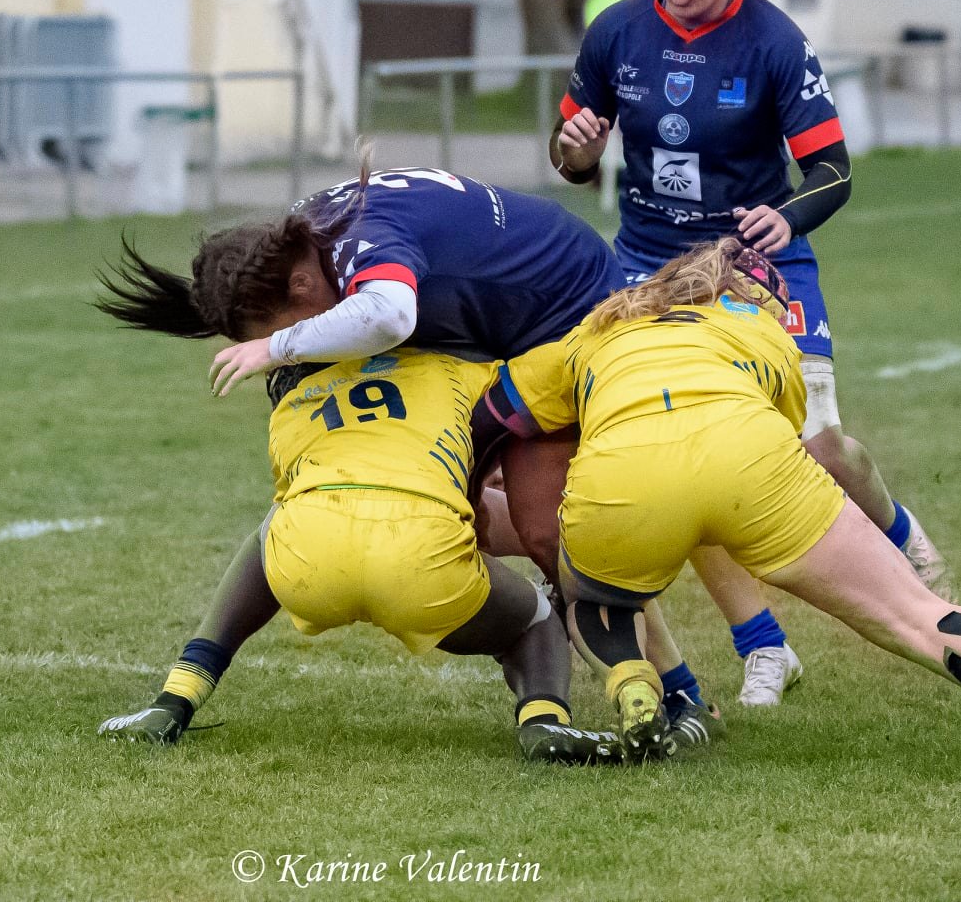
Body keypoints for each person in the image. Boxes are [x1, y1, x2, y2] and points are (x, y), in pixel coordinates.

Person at [484, 237, 961, 788]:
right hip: (754, 466)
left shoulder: (593, 331)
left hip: (627, 473)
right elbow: (780, 427)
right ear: (743, 291)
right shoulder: (760, 327)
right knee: (917, 616)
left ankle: (636, 694)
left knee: (595, 596)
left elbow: (498, 410)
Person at [94, 166, 719, 735]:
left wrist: (275, 350)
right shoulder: (303, 246)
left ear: (303, 282)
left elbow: (390, 315)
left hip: (566, 318)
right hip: (500, 323)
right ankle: (659, 686)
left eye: (292, 330)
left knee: (549, 532)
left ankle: (677, 695)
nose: (307, 348)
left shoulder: (360, 246)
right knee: (515, 518)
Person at [553, 0, 953, 706]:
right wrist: (575, 147)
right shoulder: (616, 34)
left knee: (821, 450)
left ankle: (903, 533)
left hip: (756, 268)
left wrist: (785, 215)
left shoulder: (774, 42)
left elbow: (832, 171)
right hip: (645, 273)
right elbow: (571, 159)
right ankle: (764, 647)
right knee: (681, 450)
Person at [100, 344, 630, 764]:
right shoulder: (461, 371)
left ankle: (174, 700)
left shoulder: (292, 406)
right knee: (534, 619)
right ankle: (544, 723)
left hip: (309, 564)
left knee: (273, 529)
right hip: (421, 564)